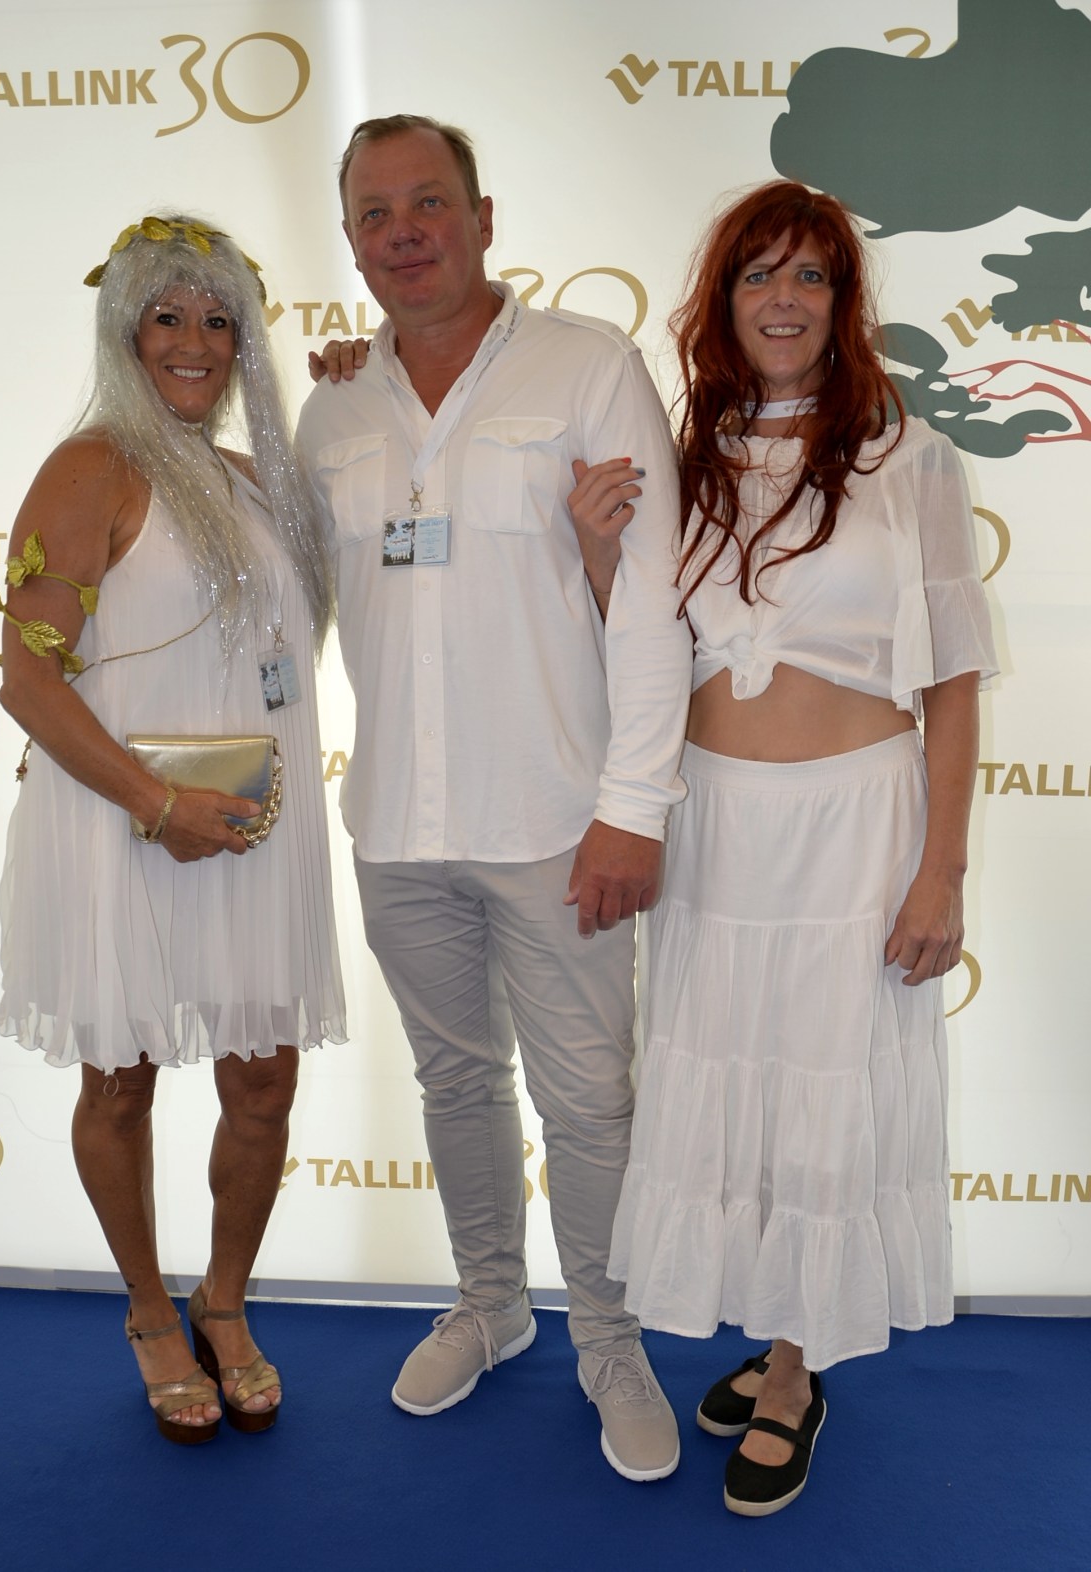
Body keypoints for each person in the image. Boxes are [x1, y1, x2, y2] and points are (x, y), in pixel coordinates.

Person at [572, 180, 998, 1515]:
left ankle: (798, 1370)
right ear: (725, 299)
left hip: (852, 830)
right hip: (716, 830)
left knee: (825, 1085)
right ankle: (772, 1327)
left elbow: (955, 683)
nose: (784, 298)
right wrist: (596, 553)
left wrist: (942, 870)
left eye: (811, 275)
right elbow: (646, 644)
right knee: (736, 1088)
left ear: (844, 302)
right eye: (759, 273)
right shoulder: (687, 453)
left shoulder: (908, 458)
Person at [296, 115, 691, 1481]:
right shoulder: (333, 407)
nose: (403, 232)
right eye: (374, 213)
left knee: (590, 1104)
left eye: (428, 203)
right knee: (455, 1081)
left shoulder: (589, 366)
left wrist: (634, 807)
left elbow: (651, 603)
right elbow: (299, 605)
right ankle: (491, 1304)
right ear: (352, 242)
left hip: (559, 822)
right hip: (397, 824)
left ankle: (610, 1339)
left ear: (482, 218)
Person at [0, 214, 346, 1444]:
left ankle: (223, 1301)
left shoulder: (255, 477)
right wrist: (154, 802)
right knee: (121, 1081)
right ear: (124, 331)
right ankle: (149, 1311)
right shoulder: (90, 467)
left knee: (264, 1083)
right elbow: (26, 683)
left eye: (218, 319)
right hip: (126, 825)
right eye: (166, 316)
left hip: (245, 823)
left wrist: (360, 381)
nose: (194, 341)